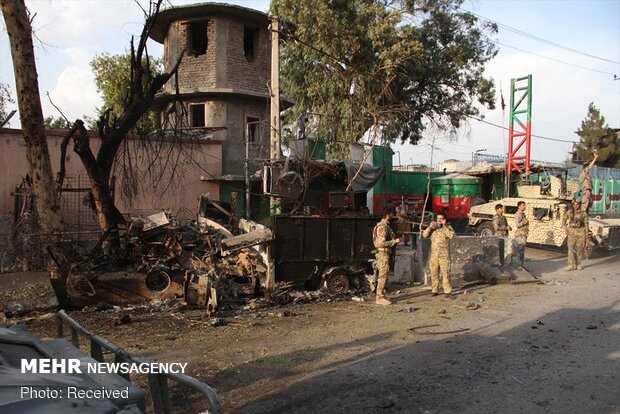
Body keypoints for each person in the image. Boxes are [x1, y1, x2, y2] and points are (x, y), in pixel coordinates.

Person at [422, 212, 455, 298]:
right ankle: (435, 290)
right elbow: (424, 235)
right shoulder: (433, 228)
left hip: (444, 256)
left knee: (446, 274)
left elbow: (452, 236)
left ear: (444, 220)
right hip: (434, 256)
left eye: (441, 219)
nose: (439, 220)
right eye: (438, 219)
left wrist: (444, 227)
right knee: (434, 273)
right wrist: (430, 227)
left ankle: (447, 291)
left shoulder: (447, 227)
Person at [372, 205, 400, 305]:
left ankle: (382, 294)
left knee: (384, 275)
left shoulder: (386, 226)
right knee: (382, 276)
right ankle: (379, 297)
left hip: (386, 253)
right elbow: (379, 243)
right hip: (382, 253)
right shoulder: (382, 227)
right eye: (392, 213)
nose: (393, 215)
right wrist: (394, 241)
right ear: (388, 215)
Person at [563, 199, 589, 271]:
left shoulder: (583, 214)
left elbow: (586, 225)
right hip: (571, 233)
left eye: (577, 204)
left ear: (579, 205)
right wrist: (566, 229)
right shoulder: (569, 212)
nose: (575, 206)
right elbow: (564, 221)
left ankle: (579, 264)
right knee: (570, 249)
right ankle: (570, 265)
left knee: (579, 250)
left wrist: (587, 237)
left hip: (580, 233)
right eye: (574, 204)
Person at [514, 201, 529, 267]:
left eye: (524, 205)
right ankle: (518, 266)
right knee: (519, 251)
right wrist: (525, 221)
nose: (524, 206)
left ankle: (521, 265)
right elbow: (517, 225)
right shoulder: (518, 214)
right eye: (523, 205)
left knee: (522, 251)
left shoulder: (523, 214)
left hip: (524, 234)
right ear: (519, 206)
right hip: (520, 235)